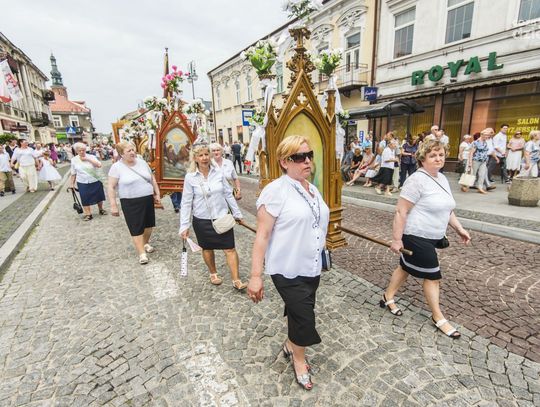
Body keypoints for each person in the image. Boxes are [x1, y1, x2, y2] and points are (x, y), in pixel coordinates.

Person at [247, 135, 329, 391]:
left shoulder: (311, 189)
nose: (307, 161)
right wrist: (256, 276)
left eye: (309, 155)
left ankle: (290, 343)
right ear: (284, 162)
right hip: (287, 268)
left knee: (298, 309)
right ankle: (299, 359)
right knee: (304, 316)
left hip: (311, 266)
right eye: (299, 157)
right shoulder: (275, 191)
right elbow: (262, 235)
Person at [380, 139, 471, 339]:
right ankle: (438, 317)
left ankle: (388, 296)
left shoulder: (442, 178)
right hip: (416, 235)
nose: (438, 158)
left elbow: (447, 209)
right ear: (422, 159)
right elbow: (401, 211)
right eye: (432, 155)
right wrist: (397, 239)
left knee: (405, 268)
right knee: (432, 276)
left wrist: (459, 229)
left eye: (441, 154)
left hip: (433, 236)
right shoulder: (416, 180)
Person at [179, 142, 247, 289]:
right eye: (200, 155)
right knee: (207, 248)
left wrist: (237, 213)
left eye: (206, 154)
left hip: (222, 217)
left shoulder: (219, 173)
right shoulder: (190, 177)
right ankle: (213, 273)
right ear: (195, 158)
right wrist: (184, 226)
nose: (204, 158)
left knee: (230, 248)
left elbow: (228, 194)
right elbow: (186, 202)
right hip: (202, 220)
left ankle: (236, 280)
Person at [108, 141, 160, 265]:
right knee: (136, 226)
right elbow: (111, 186)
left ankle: (145, 243)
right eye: (129, 151)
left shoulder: (142, 163)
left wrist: (157, 193)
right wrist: (113, 205)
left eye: (133, 149)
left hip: (147, 198)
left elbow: (152, 179)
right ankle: (142, 253)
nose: (132, 152)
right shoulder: (116, 167)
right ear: (121, 154)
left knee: (148, 225)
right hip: (130, 201)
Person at [69, 142, 107, 221]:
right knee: (84, 197)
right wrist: (71, 184)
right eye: (79, 150)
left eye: (83, 150)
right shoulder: (74, 160)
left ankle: (101, 209)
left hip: (95, 180)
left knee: (99, 196)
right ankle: (88, 214)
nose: (82, 152)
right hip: (82, 182)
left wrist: (87, 159)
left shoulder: (91, 157)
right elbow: (73, 173)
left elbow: (99, 165)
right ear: (76, 151)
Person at [467, 129, 494, 194]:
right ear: (482, 135)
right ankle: (466, 186)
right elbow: (471, 153)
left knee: (482, 175)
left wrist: (486, 160)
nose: (487, 137)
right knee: (472, 174)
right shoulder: (476, 142)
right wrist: (470, 162)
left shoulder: (485, 142)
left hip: (483, 161)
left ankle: (480, 188)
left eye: (488, 135)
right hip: (476, 160)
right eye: (486, 135)